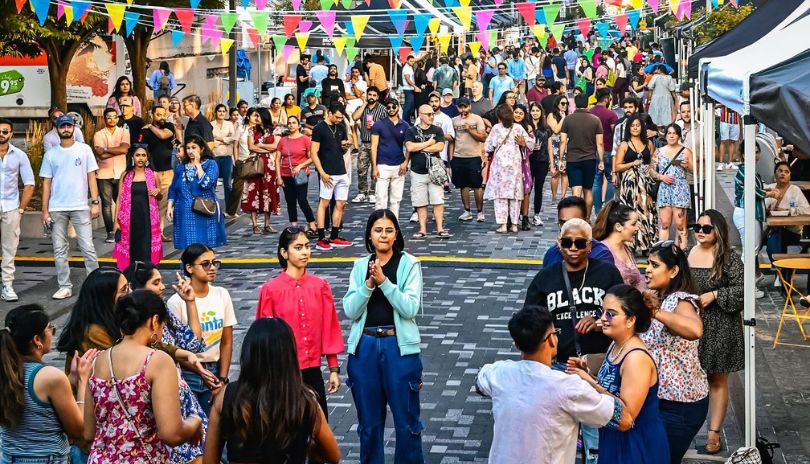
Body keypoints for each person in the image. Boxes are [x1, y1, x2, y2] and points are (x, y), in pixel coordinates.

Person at [477, 305, 633, 464]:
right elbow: (624, 420)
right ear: (551, 339)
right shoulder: (569, 387)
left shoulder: (499, 373)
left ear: (517, 345)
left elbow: (479, 382)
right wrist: (590, 381)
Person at [523, 218, 624, 463]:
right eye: (568, 242)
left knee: (596, 436)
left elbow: (626, 315)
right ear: (560, 244)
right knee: (555, 435)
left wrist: (601, 321)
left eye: (580, 243)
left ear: (590, 246)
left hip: (596, 369)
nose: (574, 248)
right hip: (557, 368)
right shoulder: (545, 278)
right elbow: (530, 324)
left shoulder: (607, 273)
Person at [343, 209, 425, 464]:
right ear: (369, 234)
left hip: (399, 348)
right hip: (365, 346)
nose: (383, 235)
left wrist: (385, 282)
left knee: (407, 423)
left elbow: (410, 308)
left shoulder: (409, 263)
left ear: (396, 234)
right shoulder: (359, 266)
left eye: (389, 230)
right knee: (369, 426)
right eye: (378, 230)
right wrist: (368, 284)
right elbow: (350, 310)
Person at [84, 290, 203, 463]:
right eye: (163, 325)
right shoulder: (157, 361)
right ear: (155, 321)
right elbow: (172, 434)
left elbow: (88, 432)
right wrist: (194, 422)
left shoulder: (97, 362)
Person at [203, 318, 341, 464]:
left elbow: (209, 461)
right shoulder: (304, 400)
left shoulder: (227, 396)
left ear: (249, 354)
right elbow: (334, 456)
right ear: (289, 356)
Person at [567, 284, 670, 463]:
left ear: (630, 320)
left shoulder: (636, 359)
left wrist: (590, 382)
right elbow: (612, 391)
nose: (603, 319)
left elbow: (626, 418)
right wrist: (587, 374)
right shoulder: (616, 345)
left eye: (611, 314)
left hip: (636, 446)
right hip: (614, 441)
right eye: (603, 311)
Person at [123, 260, 209, 464]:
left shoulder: (163, 313)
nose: (162, 287)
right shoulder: (130, 332)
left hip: (183, 401)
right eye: (156, 282)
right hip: (161, 409)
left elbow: (193, 344)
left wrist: (191, 302)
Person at [255, 227, 345, 417]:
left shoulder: (320, 286)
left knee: (319, 430)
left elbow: (329, 328)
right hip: (282, 374)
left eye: (307, 246)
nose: (305, 252)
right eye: (298, 247)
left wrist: (333, 368)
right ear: (284, 252)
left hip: (313, 372)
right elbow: (263, 339)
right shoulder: (270, 290)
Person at [0, 305, 97, 464]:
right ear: (37, 340)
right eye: (49, 328)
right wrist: (82, 380)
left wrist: (70, 379)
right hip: (45, 458)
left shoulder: (6, 371)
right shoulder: (50, 377)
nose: (52, 332)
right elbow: (79, 430)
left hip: (8, 457)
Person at [642, 240, 707, 464]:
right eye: (647, 263)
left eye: (654, 265)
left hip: (678, 406)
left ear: (674, 271)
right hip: (659, 401)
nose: (647, 269)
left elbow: (694, 329)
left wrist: (657, 312)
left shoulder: (680, 300)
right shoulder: (659, 297)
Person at [686, 210, 744, 454]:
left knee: (717, 380)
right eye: (696, 227)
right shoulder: (691, 252)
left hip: (721, 325)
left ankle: (714, 432)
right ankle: (689, 428)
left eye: (706, 228)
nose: (699, 231)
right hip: (693, 324)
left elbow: (742, 291)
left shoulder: (729, 258)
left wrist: (715, 294)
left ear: (718, 231)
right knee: (693, 377)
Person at [168, 243, 236, 416]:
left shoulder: (222, 294)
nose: (212, 268)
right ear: (189, 268)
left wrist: (222, 379)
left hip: (215, 370)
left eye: (214, 263)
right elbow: (172, 348)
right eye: (205, 264)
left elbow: (227, 341)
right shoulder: (175, 302)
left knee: (215, 426)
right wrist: (198, 370)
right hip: (187, 372)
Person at [40, 115, 100, 300]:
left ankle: (95, 285)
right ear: (56, 129)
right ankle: (64, 286)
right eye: (62, 126)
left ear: (74, 127)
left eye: (68, 125)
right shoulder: (51, 153)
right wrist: (44, 210)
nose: (66, 129)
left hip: (81, 206)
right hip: (57, 207)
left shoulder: (84, 149)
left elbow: (91, 177)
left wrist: (95, 202)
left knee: (88, 247)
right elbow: (46, 183)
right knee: (59, 249)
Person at [167, 135, 227, 250]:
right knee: (188, 248)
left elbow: (206, 184)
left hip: (203, 210)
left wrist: (198, 165)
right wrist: (170, 206)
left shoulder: (210, 164)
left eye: (194, 147)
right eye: (188, 148)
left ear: (202, 149)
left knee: (205, 247)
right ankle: (187, 268)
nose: (190, 151)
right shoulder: (180, 167)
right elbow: (173, 188)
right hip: (184, 211)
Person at [311, 103, 354, 251]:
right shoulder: (319, 128)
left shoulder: (341, 127)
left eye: (341, 117)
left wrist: (345, 146)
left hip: (341, 170)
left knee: (341, 204)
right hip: (327, 172)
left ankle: (335, 235)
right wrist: (322, 172)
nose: (338, 119)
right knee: (324, 203)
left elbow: (339, 149)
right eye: (336, 116)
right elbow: (313, 152)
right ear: (329, 113)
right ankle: (321, 237)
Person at [112, 145, 162, 270]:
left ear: (147, 158)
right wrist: (115, 221)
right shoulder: (126, 175)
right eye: (138, 155)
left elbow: (160, 197)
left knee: (146, 250)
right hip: (128, 220)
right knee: (131, 251)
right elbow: (119, 198)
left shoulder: (154, 175)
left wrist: (158, 192)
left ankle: (147, 277)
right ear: (133, 157)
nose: (140, 158)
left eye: (143, 155)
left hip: (147, 220)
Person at [0, 119, 34, 302]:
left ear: (11, 134)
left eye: (5, 131)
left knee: (9, 249)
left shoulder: (20, 155)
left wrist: (21, 209)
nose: (2, 134)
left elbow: (29, 183)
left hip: (11, 208)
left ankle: (7, 285)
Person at [484, 104, 532, 233]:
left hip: (500, 166)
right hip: (515, 166)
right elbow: (530, 144)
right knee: (515, 195)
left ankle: (503, 225)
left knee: (500, 196)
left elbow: (488, 146)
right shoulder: (518, 128)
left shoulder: (496, 128)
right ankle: (515, 224)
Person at [614, 113, 658, 252]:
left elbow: (653, 163)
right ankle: (630, 244)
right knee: (629, 212)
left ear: (642, 127)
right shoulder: (624, 144)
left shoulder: (649, 144)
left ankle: (645, 244)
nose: (635, 128)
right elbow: (617, 166)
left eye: (638, 125)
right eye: (632, 126)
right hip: (629, 184)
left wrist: (650, 170)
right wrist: (632, 163)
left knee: (646, 212)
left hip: (645, 183)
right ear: (628, 128)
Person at [405, 105, 449, 239]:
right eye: (428, 114)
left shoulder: (437, 130)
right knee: (420, 202)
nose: (431, 116)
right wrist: (429, 143)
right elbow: (409, 147)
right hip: (418, 171)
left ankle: (440, 228)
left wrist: (420, 147)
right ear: (420, 115)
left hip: (434, 171)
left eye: (433, 114)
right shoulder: (411, 130)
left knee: (438, 200)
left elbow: (440, 147)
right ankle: (422, 229)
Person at [559, 94, 604, 220]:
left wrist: (561, 159)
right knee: (588, 190)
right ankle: (587, 218)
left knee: (576, 191)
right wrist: (601, 161)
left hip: (573, 159)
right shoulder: (595, 120)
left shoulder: (568, 119)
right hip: (590, 159)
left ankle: (576, 218)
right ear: (587, 104)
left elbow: (563, 141)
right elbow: (599, 143)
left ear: (575, 104)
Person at [542, 196, 615, 267]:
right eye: (562, 223)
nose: (567, 227)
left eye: (573, 222)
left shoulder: (601, 254)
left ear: (586, 221)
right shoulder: (552, 253)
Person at [733, 140, 766, 294]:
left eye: (757, 151)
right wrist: (769, 193)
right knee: (749, 252)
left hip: (749, 213)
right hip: (747, 213)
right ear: (744, 154)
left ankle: (753, 279)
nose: (756, 155)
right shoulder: (746, 171)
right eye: (752, 151)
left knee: (751, 251)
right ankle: (745, 287)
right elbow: (753, 191)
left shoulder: (748, 169)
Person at [93, 107, 131, 242]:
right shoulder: (99, 134)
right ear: (104, 119)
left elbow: (125, 149)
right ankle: (110, 232)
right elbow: (100, 155)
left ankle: (122, 229)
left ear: (118, 118)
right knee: (106, 204)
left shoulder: (124, 132)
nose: (112, 119)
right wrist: (117, 151)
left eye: (114, 116)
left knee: (122, 203)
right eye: (109, 117)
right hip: (104, 173)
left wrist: (106, 149)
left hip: (120, 173)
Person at [652, 124, 692, 249]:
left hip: (680, 188)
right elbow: (651, 170)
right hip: (664, 188)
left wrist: (686, 166)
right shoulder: (659, 151)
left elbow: (693, 170)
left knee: (680, 224)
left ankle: (681, 253)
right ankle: (662, 252)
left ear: (679, 135)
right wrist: (661, 177)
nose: (671, 135)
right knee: (664, 223)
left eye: (674, 133)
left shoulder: (685, 151)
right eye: (669, 133)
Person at [241, 107, 281, 234]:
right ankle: (254, 224)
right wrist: (268, 150)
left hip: (270, 166)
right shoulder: (252, 130)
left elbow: (276, 146)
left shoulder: (275, 129)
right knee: (254, 192)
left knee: (268, 192)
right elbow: (251, 147)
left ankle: (267, 224)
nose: (256, 118)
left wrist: (262, 146)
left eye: (258, 116)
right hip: (255, 163)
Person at [140, 104, 176, 241]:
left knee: (163, 204)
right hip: (151, 172)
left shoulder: (169, 127)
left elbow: (162, 135)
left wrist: (150, 126)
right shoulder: (145, 132)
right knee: (150, 203)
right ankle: (150, 232)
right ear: (152, 115)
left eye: (163, 114)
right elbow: (142, 150)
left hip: (167, 171)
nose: (161, 117)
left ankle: (159, 232)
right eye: (158, 114)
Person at [592, 200, 646, 291]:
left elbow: (637, 281)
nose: (637, 228)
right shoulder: (602, 251)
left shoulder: (626, 249)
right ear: (618, 227)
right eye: (633, 224)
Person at [275, 116, 316, 235]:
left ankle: (312, 223)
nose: (291, 125)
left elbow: (311, 157)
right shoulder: (283, 140)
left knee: (302, 200)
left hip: (301, 174)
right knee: (290, 201)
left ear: (299, 125)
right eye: (289, 123)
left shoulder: (305, 139)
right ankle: (293, 225)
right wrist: (279, 176)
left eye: (294, 123)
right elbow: (278, 159)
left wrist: (300, 166)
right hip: (286, 174)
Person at [451, 97, 487, 223]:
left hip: (474, 156)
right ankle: (467, 211)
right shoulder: (453, 121)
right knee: (463, 185)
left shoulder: (477, 119)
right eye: (460, 107)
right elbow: (451, 139)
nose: (463, 110)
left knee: (477, 185)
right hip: (459, 156)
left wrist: (469, 129)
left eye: (465, 107)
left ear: (469, 106)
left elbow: (482, 137)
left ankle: (480, 211)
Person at [371, 98, 409, 218]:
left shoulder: (405, 125)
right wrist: (374, 167)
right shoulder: (379, 124)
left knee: (396, 200)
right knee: (380, 198)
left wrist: (406, 162)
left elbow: (409, 146)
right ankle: (379, 223)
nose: (391, 109)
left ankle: (394, 225)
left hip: (399, 165)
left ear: (398, 107)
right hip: (382, 165)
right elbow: (373, 147)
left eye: (393, 107)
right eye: (388, 107)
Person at [352, 86, 388, 204]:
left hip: (378, 143)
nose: (371, 97)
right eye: (370, 95)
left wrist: (376, 125)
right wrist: (364, 104)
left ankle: (373, 192)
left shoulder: (382, 109)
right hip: (365, 142)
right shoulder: (362, 108)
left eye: (374, 95)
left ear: (377, 97)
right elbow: (355, 117)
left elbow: (387, 125)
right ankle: (362, 192)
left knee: (375, 168)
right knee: (361, 168)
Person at [590, 89, 618, 214]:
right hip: (608, 149)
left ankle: (597, 210)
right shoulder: (611, 114)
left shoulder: (590, 112)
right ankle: (607, 210)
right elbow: (615, 132)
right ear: (607, 99)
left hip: (592, 151)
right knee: (611, 178)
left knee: (596, 181)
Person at [228, 108, 260, 217]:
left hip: (256, 161)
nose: (256, 118)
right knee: (237, 187)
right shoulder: (241, 128)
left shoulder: (259, 130)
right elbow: (235, 145)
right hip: (242, 160)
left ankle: (254, 209)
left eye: (258, 116)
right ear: (248, 116)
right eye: (254, 115)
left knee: (256, 186)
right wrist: (236, 160)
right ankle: (230, 211)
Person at [528, 102, 549, 226]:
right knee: (527, 188)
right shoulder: (526, 126)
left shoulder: (546, 127)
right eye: (533, 110)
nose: (535, 112)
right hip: (529, 160)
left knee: (539, 188)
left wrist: (552, 162)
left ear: (541, 112)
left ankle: (536, 214)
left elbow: (550, 146)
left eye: (537, 110)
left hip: (543, 160)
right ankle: (523, 214)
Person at [211, 104, 237, 206]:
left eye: (223, 111)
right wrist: (223, 141)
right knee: (213, 182)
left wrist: (222, 139)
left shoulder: (229, 124)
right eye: (219, 111)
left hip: (227, 155)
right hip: (215, 155)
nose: (221, 113)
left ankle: (229, 208)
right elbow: (209, 140)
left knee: (227, 183)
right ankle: (211, 206)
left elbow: (233, 138)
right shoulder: (211, 124)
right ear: (216, 112)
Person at [547, 95, 569, 203]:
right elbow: (555, 130)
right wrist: (564, 118)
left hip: (566, 145)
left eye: (566, 104)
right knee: (555, 173)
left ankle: (563, 196)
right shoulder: (552, 116)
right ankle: (554, 196)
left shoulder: (568, 115)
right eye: (562, 103)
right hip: (555, 145)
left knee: (565, 172)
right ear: (557, 104)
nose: (565, 106)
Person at [646, 65, 676, 129]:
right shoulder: (669, 77)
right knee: (667, 112)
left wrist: (649, 99)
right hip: (667, 98)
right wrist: (676, 99)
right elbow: (672, 90)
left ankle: (657, 129)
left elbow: (650, 88)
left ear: (659, 70)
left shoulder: (655, 77)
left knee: (656, 113)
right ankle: (666, 128)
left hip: (656, 98)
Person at [717, 105, 741, 171]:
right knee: (723, 141)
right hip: (724, 119)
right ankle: (721, 163)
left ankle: (730, 163)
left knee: (733, 141)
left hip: (735, 120)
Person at [401, 55, 417, 122]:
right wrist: (415, 86)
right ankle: (405, 122)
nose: (412, 62)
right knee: (407, 107)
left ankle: (407, 121)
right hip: (408, 89)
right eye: (410, 61)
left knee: (409, 106)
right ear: (407, 61)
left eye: (413, 61)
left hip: (410, 89)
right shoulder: (406, 68)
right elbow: (407, 79)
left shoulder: (409, 67)